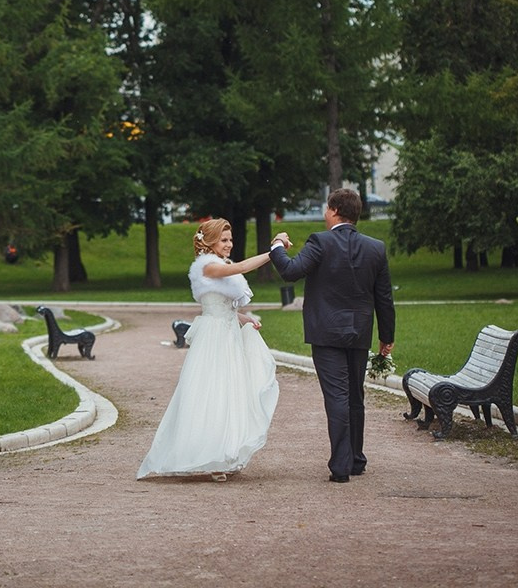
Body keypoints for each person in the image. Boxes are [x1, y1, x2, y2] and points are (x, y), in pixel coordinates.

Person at [137, 218, 280, 481]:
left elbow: (224, 306)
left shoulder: (221, 266)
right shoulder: (207, 266)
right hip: (214, 338)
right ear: (210, 242)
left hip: (229, 335)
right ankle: (210, 456)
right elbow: (242, 267)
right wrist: (275, 251)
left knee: (230, 393)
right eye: (224, 240)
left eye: (230, 239)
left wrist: (244, 318)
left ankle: (226, 453)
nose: (229, 244)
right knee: (212, 392)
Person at [269, 188, 395, 483]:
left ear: (335, 210)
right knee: (355, 395)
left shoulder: (320, 242)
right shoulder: (375, 248)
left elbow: (290, 271)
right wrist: (386, 336)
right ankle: (356, 459)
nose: (325, 213)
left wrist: (277, 245)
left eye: (327, 208)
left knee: (337, 396)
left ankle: (341, 466)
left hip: (326, 333)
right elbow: (384, 298)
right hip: (360, 331)